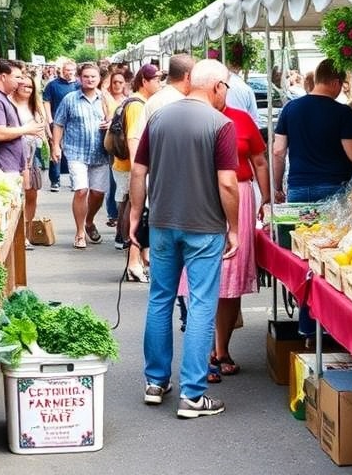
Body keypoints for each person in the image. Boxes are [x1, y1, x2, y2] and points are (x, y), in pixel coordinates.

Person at [128, 59, 239, 418]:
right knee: (202, 303)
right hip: (204, 227)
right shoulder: (221, 124)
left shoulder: (158, 117)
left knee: (160, 298)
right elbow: (227, 183)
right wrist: (234, 227)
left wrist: (134, 217)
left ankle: (156, 382)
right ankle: (193, 394)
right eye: (227, 88)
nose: (226, 95)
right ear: (217, 87)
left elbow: (138, 170)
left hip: (162, 223)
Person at [180, 97, 272, 384]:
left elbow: (259, 160)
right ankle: (202, 352)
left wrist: (266, 197)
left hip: (240, 195)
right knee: (198, 277)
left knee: (231, 279)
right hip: (200, 196)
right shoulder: (188, 117)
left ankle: (222, 350)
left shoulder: (241, 118)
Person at [272, 58, 352, 203]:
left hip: (298, 187)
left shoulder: (289, 108)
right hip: (333, 187)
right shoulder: (343, 112)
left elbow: (278, 151)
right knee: (333, 227)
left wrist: (277, 187)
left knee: (300, 226)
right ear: (335, 82)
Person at [50, 62, 111, 249]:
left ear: (99, 79)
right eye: (86, 76)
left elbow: (115, 121)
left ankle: (89, 221)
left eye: (93, 76)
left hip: (100, 153)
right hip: (76, 152)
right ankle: (79, 232)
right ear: (79, 78)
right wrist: (55, 146)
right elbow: (58, 123)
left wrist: (110, 125)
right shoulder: (70, 99)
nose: (90, 79)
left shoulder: (106, 100)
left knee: (98, 193)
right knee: (81, 190)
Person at [111, 63, 162, 280]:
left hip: (130, 169)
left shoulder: (139, 103)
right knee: (137, 214)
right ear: (145, 81)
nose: (160, 83)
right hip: (133, 170)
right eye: (157, 79)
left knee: (136, 213)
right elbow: (134, 140)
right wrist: (138, 173)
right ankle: (133, 263)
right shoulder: (138, 106)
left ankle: (138, 260)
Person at [0, 59, 44, 172]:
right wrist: (27, 129)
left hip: (8, 164)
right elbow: (0, 133)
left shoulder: (1, 96)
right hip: (0, 166)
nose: (20, 82)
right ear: (3, 76)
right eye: (17, 77)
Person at [10, 71, 50, 248]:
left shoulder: (36, 106)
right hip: (14, 154)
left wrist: (49, 143)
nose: (26, 88)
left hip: (33, 154)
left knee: (32, 194)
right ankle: (17, 233)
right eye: (23, 85)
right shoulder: (9, 104)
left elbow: (43, 128)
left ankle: (26, 231)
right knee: (18, 195)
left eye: (30, 86)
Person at [42, 58, 79, 191]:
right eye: (67, 70)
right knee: (55, 149)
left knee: (73, 152)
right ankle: (55, 180)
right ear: (62, 71)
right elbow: (46, 102)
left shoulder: (78, 86)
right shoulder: (53, 85)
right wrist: (49, 119)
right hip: (57, 122)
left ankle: (75, 180)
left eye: (72, 70)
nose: (69, 72)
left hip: (74, 124)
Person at [103, 70, 128, 231]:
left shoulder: (128, 100)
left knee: (118, 179)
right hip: (110, 141)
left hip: (122, 143)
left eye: (120, 82)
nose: (117, 85)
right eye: (115, 82)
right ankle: (112, 213)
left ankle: (116, 215)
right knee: (113, 179)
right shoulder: (106, 98)